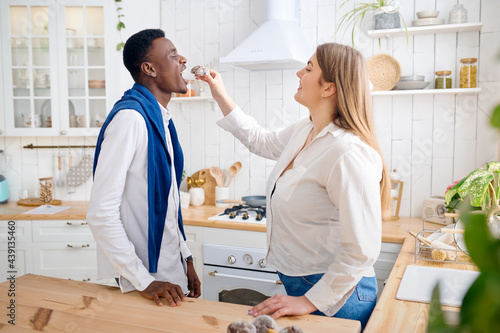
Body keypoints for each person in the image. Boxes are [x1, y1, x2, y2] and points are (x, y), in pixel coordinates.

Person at [197, 43, 391, 330]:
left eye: (309, 68)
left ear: (329, 89)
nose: (299, 72)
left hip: (339, 294)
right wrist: (220, 93)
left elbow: (362, 250)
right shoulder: (307, 129)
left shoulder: (348, 153)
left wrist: (309, 300)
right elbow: (261, 140)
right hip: (302, 283)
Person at [87, 29, 201, 307]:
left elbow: (168, 202)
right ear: (149, 68)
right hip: (147, 283)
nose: (183, 60)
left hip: (168, 273)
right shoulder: (131, 119)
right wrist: (144, 281)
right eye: (173, 55)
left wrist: (184, 255)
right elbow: (100, 213)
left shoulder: (159, 119)